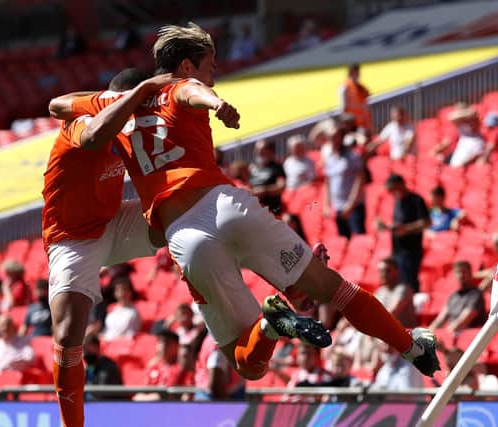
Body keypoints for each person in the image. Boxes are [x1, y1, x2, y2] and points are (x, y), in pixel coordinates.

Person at [59, 22, 438, 395]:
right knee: (334, 289)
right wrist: (217, 104)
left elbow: (57, 105)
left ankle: (272, 325)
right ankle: (412, 347)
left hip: (185, 239)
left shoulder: (111, 107)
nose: (214, 77)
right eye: (210, 67)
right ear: (187, 66)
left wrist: (119, 97)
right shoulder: (181, 86)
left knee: (246, 365)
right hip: (224, 205)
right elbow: (192, 92)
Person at [45, 69, 163, 427]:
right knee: (67, 336)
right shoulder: (80, 122)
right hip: (72, 236)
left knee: (182, 216)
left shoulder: (137, 131)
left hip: (113, 223)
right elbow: (94, 138)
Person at [377, 174, 430, 292]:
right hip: (397, 249)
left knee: (408, 283)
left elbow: (426, 222)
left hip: (411, 250)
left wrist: (406, 229)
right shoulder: (397, 201)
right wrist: (388, 227)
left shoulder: (416, 200)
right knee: (398, 283)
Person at [323, 120, 366, 239]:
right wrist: (326, 205)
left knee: (358, 239)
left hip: (353, 206)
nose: (334, 140)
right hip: (338, 207)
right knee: (344, 240)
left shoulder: (352, 155)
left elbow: (360, 179)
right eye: (331, 138)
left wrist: (351, 204)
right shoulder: (330, 158)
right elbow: (327, 183)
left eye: (336, 137)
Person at [133, 329, 195, 401]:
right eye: (160, 341)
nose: (163, 345)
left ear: (176, 346)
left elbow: (168, 395)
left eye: (167, 342)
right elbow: (139, 395)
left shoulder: (181, 368)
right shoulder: (153, 367)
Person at [429, 260, 487, 333]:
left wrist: (445, 335)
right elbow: (440, 319)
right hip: (452, 333)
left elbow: (463, 320)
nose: (461, 275)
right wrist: (427, 333)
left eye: (463, 272)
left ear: (470, 273)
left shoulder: (476, 294)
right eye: (458, 272)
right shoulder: (453, 296)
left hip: (468, 335)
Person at [374, 257, 417, 328]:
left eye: (388, 270)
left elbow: (391, 314)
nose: (383, 274)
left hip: (403, 333)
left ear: (397, 271)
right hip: (383, 330)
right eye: (380, 271)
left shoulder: (404, 289)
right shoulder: (379, 291)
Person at [249, 139, 286, 215]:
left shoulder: (277, 167)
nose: (258, 152)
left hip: (273, 210)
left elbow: (281, 187)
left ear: (270, 151)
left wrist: (265, 190)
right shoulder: (252, 169)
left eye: (262, 150)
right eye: (257, 150)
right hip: (255, 211)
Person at [83, 333, 123, 400]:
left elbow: (101, 393)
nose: (85, 354)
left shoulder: (108, 367)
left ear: (97, 347)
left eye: (88, 350)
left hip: (106, 405)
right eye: (84, 350)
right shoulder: (89, 366)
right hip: (89, 404)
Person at [101, 276, 141, 341]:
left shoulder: (133, 313)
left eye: (124, 290)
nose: (121, 294)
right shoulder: (111, 309)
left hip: (120, 346)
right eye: (118, 290)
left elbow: (130, 337)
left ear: (130, 292)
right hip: (106, 343)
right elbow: (107, 330)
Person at [339, 63, 372, 133]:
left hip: (363, 125)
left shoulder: (361, 88)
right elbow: (343, 108)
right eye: (357, 72)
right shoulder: (345, 87)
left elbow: (366, 106)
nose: (358, 74)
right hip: (353, 126)